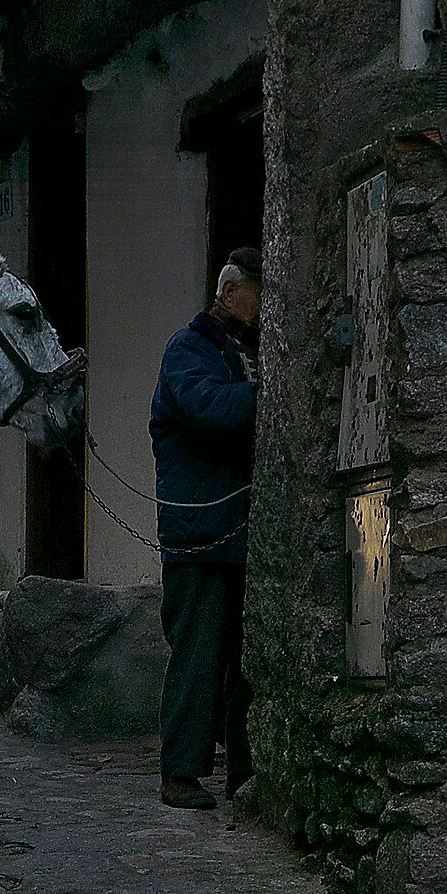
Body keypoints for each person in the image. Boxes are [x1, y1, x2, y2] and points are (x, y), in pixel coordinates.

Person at [148, 247, 261, 810]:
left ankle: (243, 773)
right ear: (230, 291)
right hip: (200, 534)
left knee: (244, 663)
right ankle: (181, 773)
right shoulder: (188, 351)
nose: (264, 305)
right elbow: (211, 411)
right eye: (258, 292)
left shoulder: (244, 353)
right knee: (197, 656)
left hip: (238, 533)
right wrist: (270, 396)